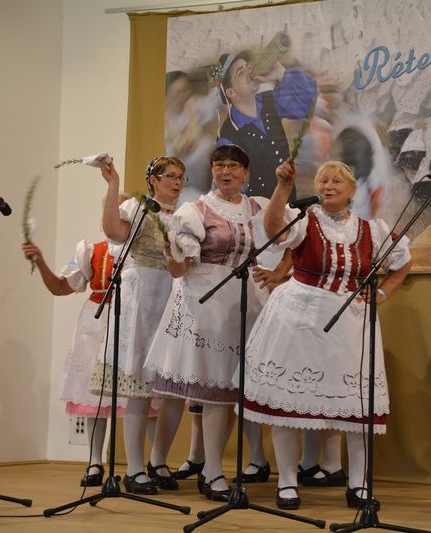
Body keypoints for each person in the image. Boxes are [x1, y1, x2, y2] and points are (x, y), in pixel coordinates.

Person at [242, 160, 411, 510]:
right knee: (288, 402)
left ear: (351, 191)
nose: (329, 186)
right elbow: (274, 228)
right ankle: (287, 483)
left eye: (337, 181)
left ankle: (359, 485)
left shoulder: (372, 229)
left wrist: (383, 293)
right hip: (299, 316)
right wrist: (283, 187)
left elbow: (403, 261)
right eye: (323, 180)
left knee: (355, 405)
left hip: (351, 321)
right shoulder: (305, 220)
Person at [143, 144, 275, 501]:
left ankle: (210, 468)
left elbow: (286, 234)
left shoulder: (257, 207)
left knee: (229, 391)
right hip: (205, 299)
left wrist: (279, 272)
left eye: (232, 166)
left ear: (245, 172)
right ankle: (208, 471)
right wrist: (176, 257)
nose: (225, 171)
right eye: (219, 166)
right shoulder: (195, 209)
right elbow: (181, 263)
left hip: (244, 300)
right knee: (210, 387)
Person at [88, 156, 185, 494]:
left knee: (173, 392)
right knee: (140, 389)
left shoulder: (184, 216)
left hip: (173, 296)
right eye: (169, 176)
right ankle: (133, 469)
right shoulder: (140, 207)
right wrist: (113, 184)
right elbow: (113, 231)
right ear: (153, 180)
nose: (176, 181)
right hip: (142, 295)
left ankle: (157, 460)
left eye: (181, 176)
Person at [22, 232, 125, 487]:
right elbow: (60, 287)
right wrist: (40, 260)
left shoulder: (144, 249)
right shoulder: (92, 251)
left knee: (141, 396)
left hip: (131, 320)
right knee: (93, 395)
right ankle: (94, 461)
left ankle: (147, 465)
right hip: (96, 322)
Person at [214, 49, 318, 201]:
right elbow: (230, 190)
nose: (249, 71)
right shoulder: (229, 137)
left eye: (247, 66)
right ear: (230, 92)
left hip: (289, 204)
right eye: (240, 72)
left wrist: (281, 74)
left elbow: (308, 105)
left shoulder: (269, 100)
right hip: (258, 213)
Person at [165, 70, 221, 205]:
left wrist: (218, 85)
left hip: (201, 171)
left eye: (186, 90)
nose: (184, 95)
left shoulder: (193, 104)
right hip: (177, 176)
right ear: (167, 96)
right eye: (178, 93)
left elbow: (212, 103)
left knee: (207, 145)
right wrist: (180, 151)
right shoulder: (161, 120)